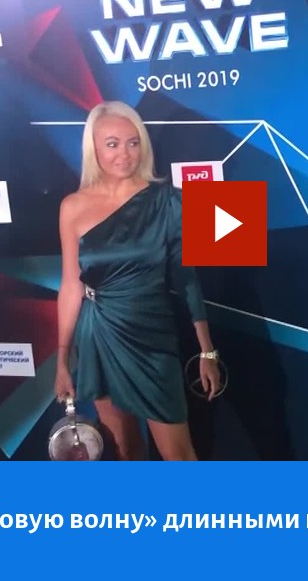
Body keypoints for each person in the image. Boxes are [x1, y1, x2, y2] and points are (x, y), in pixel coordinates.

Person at [54, 101, 222, 461]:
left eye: (133, 143)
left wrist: (207, 350)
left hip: (151, 338)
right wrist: (62, 358)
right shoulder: (72, 206)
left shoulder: (168, 200)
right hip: (99, 336)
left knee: (179, 456)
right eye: (112, 144)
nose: (125, 154)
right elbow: (71, 285)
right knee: (123, 451)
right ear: (94, 149)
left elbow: (187, 279)